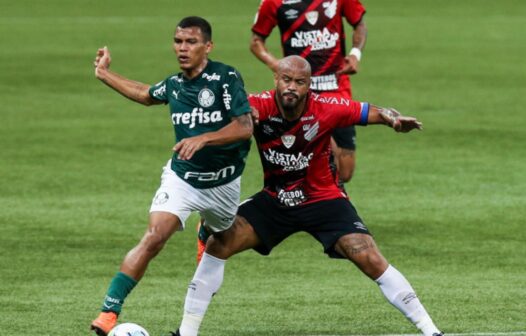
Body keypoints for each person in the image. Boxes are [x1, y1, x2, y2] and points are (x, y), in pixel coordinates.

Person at [169, 56, 443, 336]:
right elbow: (229, 118)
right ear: (276, 79)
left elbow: (373, 111)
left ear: (308, 86)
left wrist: (394, 120)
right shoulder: (258, 106)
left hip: (323, 199)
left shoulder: (327, 107)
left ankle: (431, 331)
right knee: (219, 244)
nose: (291, 87)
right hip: (275, 200)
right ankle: (186, 333)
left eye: (299, 83)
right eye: (286, 80)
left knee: (368, 255)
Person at [89, 16, 253, 336]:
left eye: (190, 42)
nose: (182, 48)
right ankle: (109, 311)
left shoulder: (224, 77)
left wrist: (204, 138)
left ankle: (206, 231)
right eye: (178, 41)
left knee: (222, 241)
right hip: (184, 180)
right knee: (155, 236)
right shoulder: (175, 84)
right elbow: (145, 93)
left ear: (208, 46)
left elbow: (245, 127)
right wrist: (104, 73)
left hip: (224, 185)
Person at [196, 0, 369, 261]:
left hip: (335, 91)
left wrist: (356, 53)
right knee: (318, 152)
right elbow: (256, 42)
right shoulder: (274, 3)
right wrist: (279, 68)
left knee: (345, 169)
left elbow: (359, 23)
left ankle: (326, 210)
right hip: (295, 94)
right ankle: (333, 216)